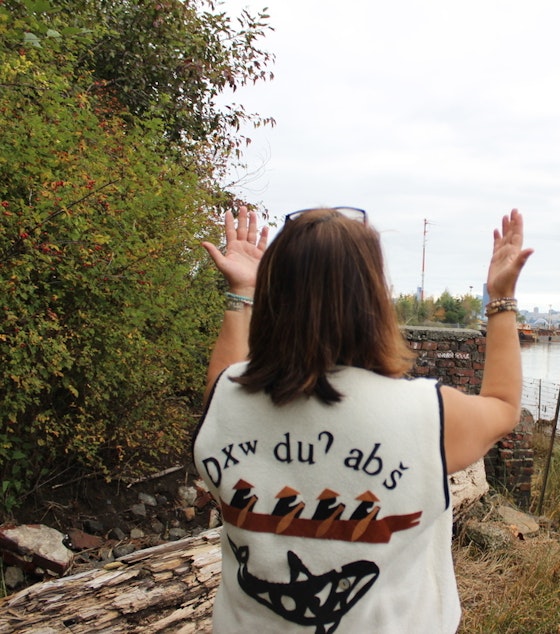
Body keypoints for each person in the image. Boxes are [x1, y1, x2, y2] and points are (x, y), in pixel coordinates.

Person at [194, 205, 532, 633]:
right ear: (373, 299)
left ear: (276, 297)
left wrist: (242, 293)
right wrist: (501, 301)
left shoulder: (227, 401)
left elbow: (225, 379)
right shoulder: (425, 414)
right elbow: (503, 406)